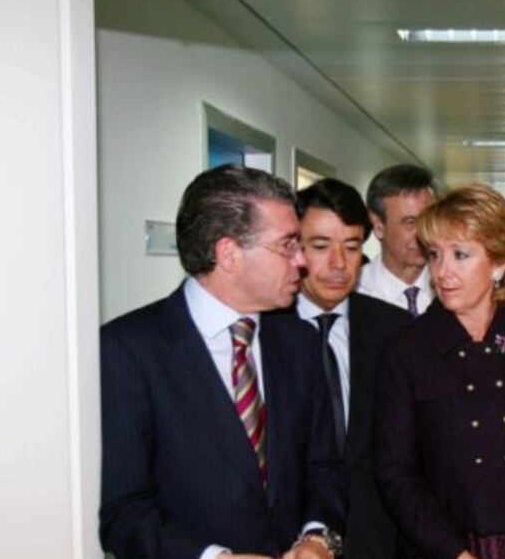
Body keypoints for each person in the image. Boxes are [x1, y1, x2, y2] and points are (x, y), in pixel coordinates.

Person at [99, 165, 344, 559]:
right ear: (228, 253)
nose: (302, 261)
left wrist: (317, 538)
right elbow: (124, 512)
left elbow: (324, 469)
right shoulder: (128, 349)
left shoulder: (299, 342)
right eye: (287, 245)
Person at [374, 184, 505, 559]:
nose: (443, 271)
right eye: (435, 255)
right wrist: (454, 553)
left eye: (461, 255)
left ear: (500, 263)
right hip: (441, 549)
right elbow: (396, 473)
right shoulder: (405, 349)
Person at [286, 178, 414, 558]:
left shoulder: (396, 330)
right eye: (321, 247)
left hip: (379, 539)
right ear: (294, 249)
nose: (339, 265)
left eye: (352, 247)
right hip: (291, 543)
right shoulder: (264, 332)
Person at [359, 164, 437, 316]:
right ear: (378, 226)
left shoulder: (452, 289)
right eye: (410, 222)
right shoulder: (355, 293)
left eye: (427, 220)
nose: (423, 233)